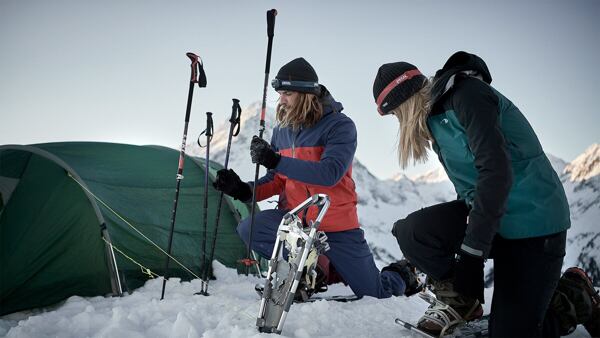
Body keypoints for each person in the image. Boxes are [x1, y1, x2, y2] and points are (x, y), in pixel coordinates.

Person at [372, 51, 599, 337]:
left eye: (395, 114)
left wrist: (472, 252)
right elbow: (470, 189)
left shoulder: (467, 95)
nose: (398, 122)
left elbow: (496, 172)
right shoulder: (436, 122)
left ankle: (575, 297)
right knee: (412, 232)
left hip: (535, 225)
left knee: (511, 332)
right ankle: (460, 302)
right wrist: (461, 256)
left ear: (403, 104)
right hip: (495, 219)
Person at [213, 57, 421, 300]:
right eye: (280, 94)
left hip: (337, 227)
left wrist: (275, 160)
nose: (281, 100)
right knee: (250, 228)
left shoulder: (340, 126)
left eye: (287, 93)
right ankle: (307, 274)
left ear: (305, 94)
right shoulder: (282, 131)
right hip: (296, 224)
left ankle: (401, 273)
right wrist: (242, 190)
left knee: (375, 293)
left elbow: (329, 173)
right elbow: (278, 179)